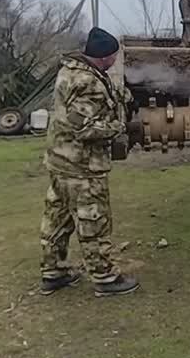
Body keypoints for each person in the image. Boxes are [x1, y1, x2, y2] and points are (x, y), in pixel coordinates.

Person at [39, 27, 139, 297]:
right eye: (114, 56)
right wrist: (119, 126)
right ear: (104, 57)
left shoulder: (72, 71)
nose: (115, 60)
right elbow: (85, 128)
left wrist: (124, 97)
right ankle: (105, 278)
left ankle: (53, 273)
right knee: (93, 221)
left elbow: (98, 99)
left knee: (57, 219)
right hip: (82, 167)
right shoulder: (88, 82)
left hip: (60, 161)